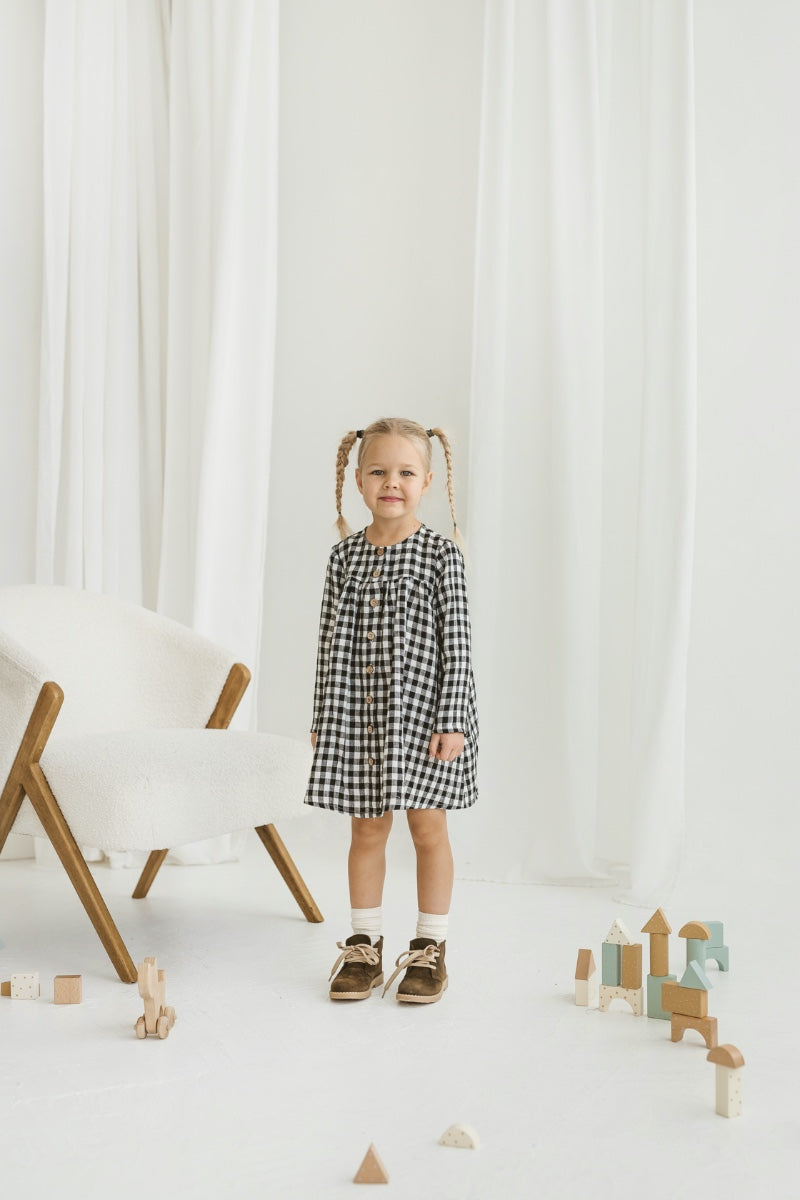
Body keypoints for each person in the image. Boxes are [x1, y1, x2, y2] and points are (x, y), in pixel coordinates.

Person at [305, 416, 478, 1005]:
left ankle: (431, 948)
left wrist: (452, 720)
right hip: (359, 716)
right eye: (379, 471)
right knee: (367, 827)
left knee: (428, 828)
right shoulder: (344, 559)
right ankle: (364, 946)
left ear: (427, 481)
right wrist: (324, 716)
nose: (391, 483)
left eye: (406, 472)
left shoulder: (440, 557)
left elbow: (457, 644)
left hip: (429, 719)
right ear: (358, 479)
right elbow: (329, 644)